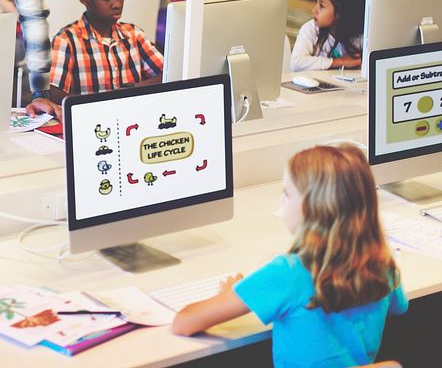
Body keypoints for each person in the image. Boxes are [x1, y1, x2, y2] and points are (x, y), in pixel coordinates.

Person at [172, 143, 407, 368]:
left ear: (309, 208)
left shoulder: (287, 273)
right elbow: (399, 308)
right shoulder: (382, 263)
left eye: (286, 194)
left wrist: (230, 293)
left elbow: (184, 323)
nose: (280, 202)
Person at [50, 0, 162, 103]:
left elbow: (166, 74)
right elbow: (56, 94)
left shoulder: (134, 35)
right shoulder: (66, 40)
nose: (117, 3)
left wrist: (132, 89)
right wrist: (103, 101)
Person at [291, 0, 365, 72]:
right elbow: (296, 63)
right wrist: (341, 62)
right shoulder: (311, 29)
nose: (314, 10)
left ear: (340, 13)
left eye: (321, 6)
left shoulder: (361, 37)